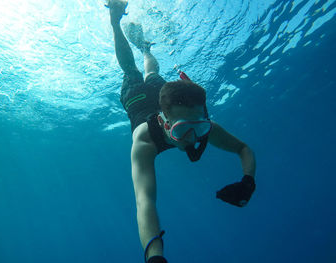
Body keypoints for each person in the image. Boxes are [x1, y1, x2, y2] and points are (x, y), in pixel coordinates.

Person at [105, 1, 256, 262]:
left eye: (199, 127)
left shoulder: (200, 126)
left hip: (166, 97)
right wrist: (155, 256)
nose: (193, 138)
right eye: (184, 129)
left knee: (152, 71)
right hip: (138, 103)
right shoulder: (145, 140)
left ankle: (145, 47)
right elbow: (145, 201)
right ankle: (114, 20)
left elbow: (243, 149)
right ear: (165, 124)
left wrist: (248, 181)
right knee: (131, 70)